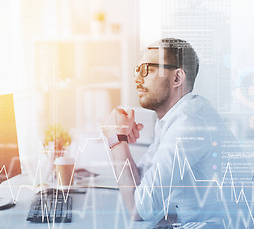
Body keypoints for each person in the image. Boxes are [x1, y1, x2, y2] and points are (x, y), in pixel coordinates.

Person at [101, 38, 237, 224]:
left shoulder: (189, 123)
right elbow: (139, 184)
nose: (137, 78)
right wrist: (119, 136)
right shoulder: (173, 118)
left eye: (146, 70)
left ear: (177, 78)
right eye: (137, 70)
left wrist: (116, 139)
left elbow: (137, 209)